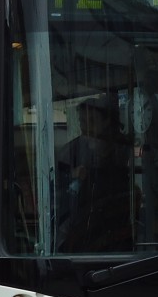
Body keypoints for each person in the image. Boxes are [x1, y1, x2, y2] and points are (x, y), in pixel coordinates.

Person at [56, 94, 133, 251]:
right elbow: (58, 178)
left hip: (114, 220)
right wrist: (72, 174)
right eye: (82, 122)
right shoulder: (73, 149)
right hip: (81, 221)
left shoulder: (122, 147)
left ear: (106, 122)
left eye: (91, 121)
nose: (86, 127)